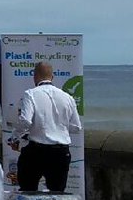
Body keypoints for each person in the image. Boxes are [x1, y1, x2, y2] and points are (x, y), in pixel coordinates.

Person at [14, 61, 82, 192]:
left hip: (37, 151)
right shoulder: (67, 97)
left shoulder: (30, 94)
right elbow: (76, 127)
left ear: (35, 76)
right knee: (57, 194)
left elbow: (25, 122)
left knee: (28, 190)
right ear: (53, 76)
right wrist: (58, 127)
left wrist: (15, 138)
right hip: (60, 152)